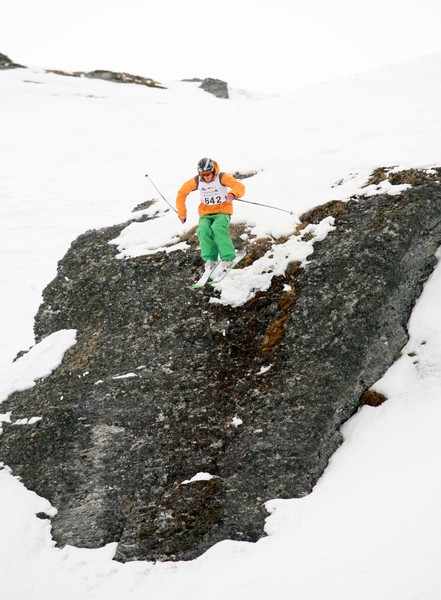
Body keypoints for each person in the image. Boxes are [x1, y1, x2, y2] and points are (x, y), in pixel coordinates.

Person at [176, 157, 245, 272]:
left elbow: (239, 186)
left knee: (217, 227)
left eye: (208, 173)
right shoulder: (198, 180)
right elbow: (182, 193)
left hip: (222, 211)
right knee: (203, 230)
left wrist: (233, 194)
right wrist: (182, 212)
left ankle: (227, 258)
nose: (206, 176)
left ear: (213, 170)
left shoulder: (222, 177)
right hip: (206, 213)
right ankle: (210, 259)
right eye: (203, 174)